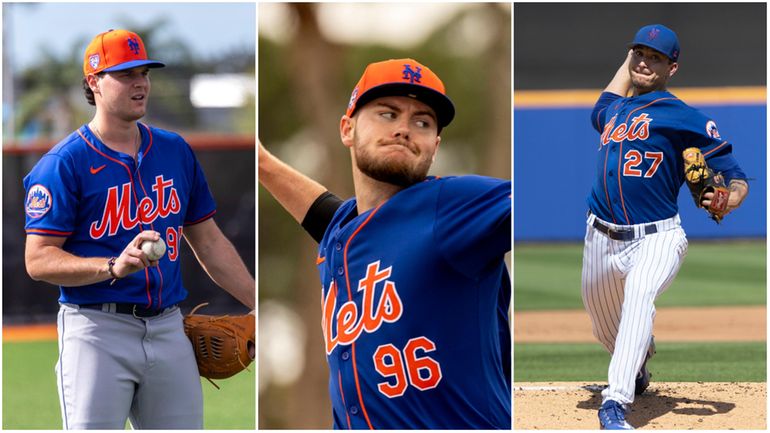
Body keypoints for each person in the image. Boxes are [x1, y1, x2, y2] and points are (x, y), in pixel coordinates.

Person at [259, 58, 511, 428]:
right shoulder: (345, 230)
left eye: (422, 122)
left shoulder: (454, 205)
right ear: (347, 129)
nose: (404, 130)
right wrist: (262, 163)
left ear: (435, 145)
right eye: (388, 114)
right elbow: (325, 214)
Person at [23, 29, 255, 429]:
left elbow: (208, 238)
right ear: (94, 82)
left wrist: (258, 303)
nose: (140, 83)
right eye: (126, 73)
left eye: (144, 72)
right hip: (96, 329)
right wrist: (112, 266)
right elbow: (38, 259)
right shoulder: (63, 163)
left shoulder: (174, 149)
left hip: (168, 326)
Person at [582, 24, 749, 430]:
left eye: (655, 57)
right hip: (600, 237)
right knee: (605, 326)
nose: (643, 61)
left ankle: (615, 405)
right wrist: (633, 57)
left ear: (672, 68)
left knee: (639, 297)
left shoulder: (684, 116)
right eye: (638, 53)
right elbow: (601, 103)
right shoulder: (613, 111)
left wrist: (730, 197)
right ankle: (636, 363)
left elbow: (736, 175)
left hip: (656, 237)